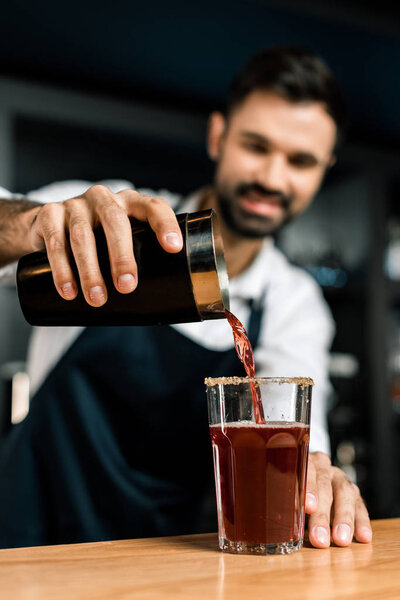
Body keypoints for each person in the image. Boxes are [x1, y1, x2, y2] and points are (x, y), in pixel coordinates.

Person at [0, 47, 372, 549]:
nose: (271, 177)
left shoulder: (292, 301)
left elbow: (301, 425)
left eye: (300, 161)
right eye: (257, 146)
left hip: (163, 560)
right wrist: (28, 225)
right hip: (27, 536)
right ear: (218, 136)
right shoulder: (111, 216)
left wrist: (317, 477)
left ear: (324, 168)